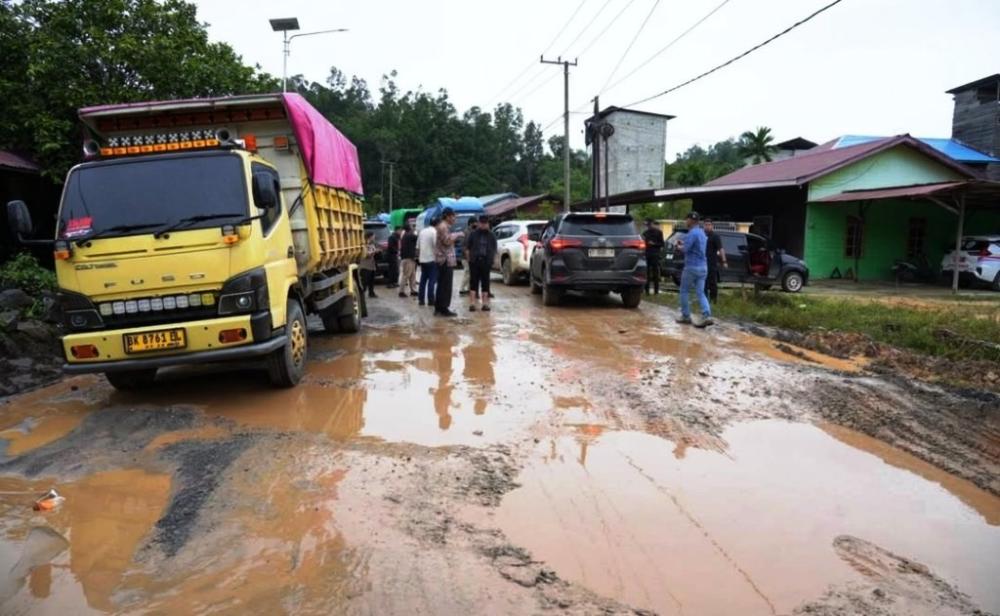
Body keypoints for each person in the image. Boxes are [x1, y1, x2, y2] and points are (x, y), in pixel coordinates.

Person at [677, 212, 713, 327]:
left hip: (692, 267)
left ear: (690, 221)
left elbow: (685, 249)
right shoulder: (702, 233)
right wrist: (684, 243)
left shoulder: (692, 233)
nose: (685, 221)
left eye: (686, 219)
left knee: (684, 291)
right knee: (700, 292)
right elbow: (695, 246)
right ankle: (706, 315)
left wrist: (678, 246)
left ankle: (686, 316)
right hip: (703, 267)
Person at [465, 215, 498, 312]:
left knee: (485, 282)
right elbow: (467, 248)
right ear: (479, 223)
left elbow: (494, 249)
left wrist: (493, 261)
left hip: (486, 261)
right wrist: (469, 259)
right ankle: (472, 304)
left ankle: (485, 304)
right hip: (474, 261)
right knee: (473, 282)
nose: (483, 225)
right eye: (482, 223)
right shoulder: (473, 234)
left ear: (488, 224)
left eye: (485, 223)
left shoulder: (491, 235)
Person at [434, 208, 460, 317]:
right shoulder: (444, 227)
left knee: (441, 285)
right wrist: (457, 235)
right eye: (453, 216)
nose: (454, 218)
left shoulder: (442, 226)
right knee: (445, 285)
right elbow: (447, 241)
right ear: (448, 216)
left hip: (442, 259)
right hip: (445, 260)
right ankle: (444, 308)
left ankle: (439, 308)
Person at [703, 218, 727, 303]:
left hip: (712, 263)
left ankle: (714, 301)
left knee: (712, 282)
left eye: (709, 225)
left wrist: (724, 261)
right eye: (706, 225)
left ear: (712, 226)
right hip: (702, 263)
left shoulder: (715, 236)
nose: (707, 227)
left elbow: (721, 249)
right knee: (703, 283)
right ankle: (704, 301)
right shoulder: (702, 236)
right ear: (703, 226)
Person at [417, 217, 439, 307]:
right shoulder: (434, 232)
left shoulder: (422, 232)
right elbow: (436, 246)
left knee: (423, 280)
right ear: (437, 224)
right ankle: (431, 300)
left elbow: (417, 247)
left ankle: (421, 300)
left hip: (422, 260)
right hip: (432, 259)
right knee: (432, 281)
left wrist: (418, 258)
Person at [641, 219, 665, 295]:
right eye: (647, 225)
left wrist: (654, 244)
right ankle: (647, 290)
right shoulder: (645, 233)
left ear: (652, 224)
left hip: (655, 254)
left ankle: (656, 291)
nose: (648, 226)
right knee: (646, 273)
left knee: (655, 273)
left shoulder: (659, 232)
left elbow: (662, 244)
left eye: (649, 225)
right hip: (647, 254)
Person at [398, 222, 418, 297]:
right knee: (406, 275)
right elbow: (418, 238)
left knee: (412, 275)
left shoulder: (405, 235)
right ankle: (401, 291)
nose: (413, 227)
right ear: (409, 228)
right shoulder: (410, 235)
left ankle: (413, 290)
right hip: (408, 258)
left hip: (408, 258)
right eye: (412, 226)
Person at [458, 217, 476, 296]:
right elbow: (463, 246)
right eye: (475, 222)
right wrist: (467, 255)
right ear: (471, 223)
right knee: (467, 272)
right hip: (465, 257)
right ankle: (462, 289)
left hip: (472, 256)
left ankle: (469, 288)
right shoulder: (466, 232)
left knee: (471, 273)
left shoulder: (473, 232)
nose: (477, 224)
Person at [360, 232, 379, 298]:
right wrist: (374, 252)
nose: (374, 238)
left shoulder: (372, 245)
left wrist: (377, 252)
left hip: (372, 266)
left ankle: (371, 293)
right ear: (370, 237)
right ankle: (362, 294)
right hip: (365, 266)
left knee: (371, 281)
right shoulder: (364, 245)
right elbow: (366, 255)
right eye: (373, 236)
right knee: (364, 281)